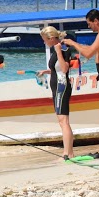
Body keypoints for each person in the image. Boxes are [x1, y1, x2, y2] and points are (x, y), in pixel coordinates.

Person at [63, 9, 99, 155]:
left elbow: (88, 53)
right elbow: (90, 49)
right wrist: (75, 44)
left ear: (96, 21)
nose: (89, 27)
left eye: (90, 24)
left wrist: (72, 42)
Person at [37, 26, 74, 160]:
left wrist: (58, 52)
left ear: (51, 38)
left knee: (64, 120)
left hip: (61, 87)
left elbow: (64, 69)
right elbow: (56, 69)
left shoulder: (62, 48)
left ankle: (67, 153)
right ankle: (68, 152)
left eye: (44, 40)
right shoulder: (56, 49)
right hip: (57, 86)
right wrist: (45, 71)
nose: (44, 42)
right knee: (61, 120)